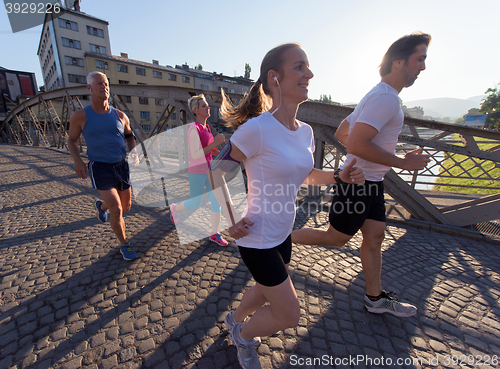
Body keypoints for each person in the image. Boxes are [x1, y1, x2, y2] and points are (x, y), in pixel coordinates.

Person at [209, 43, 365, 369]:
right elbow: (216, 171)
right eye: (300, 67)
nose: (309, 73)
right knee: (289, 314)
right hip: (257, 238)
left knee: (266, 290)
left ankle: (233, 319)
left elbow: (306, 174)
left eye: (308, 67)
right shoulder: (256, 130)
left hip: (283, 234)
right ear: (274, 78)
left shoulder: (305, 132)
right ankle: (244, 335)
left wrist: (339, 176)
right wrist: (228, 218)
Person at [292, 32, 432, 317]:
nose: (423, 67)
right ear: (398, 62)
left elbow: (345, 132)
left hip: (371, 183)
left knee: (375, 235)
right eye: (420, 59)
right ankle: (276, 239)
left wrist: (361, 158)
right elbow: (355, 142)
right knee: (336, 238)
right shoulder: (385, 100)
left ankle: (375, 298)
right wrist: (401, 163)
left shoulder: (378, 95)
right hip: (358, 184)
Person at [68, 71, 139, 260]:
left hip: (121, 166)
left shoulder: (120, 115)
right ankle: (125, 244)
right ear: (89, 88)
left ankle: (102, 207)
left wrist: (134, 152)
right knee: (117, 208)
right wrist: (77, 160)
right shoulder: (80, 116)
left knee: (126, 207)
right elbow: (72, 141)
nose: (104, 87)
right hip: (100, 167)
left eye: (106, 84)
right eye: (99, 84)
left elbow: (130, 137)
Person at [169, 94, 228, 246]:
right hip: (196, 171)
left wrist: (213, 151)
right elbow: (195, 154)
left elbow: (204, 149)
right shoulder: (194, 128)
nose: (207, 107)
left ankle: (214, 233)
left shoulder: (206, 127)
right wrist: (214, 143)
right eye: (203, 105)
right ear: (195, 110)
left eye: (207, 105)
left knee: (216, 202)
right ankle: (175, 208)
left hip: (209, 169)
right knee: (195, 203)